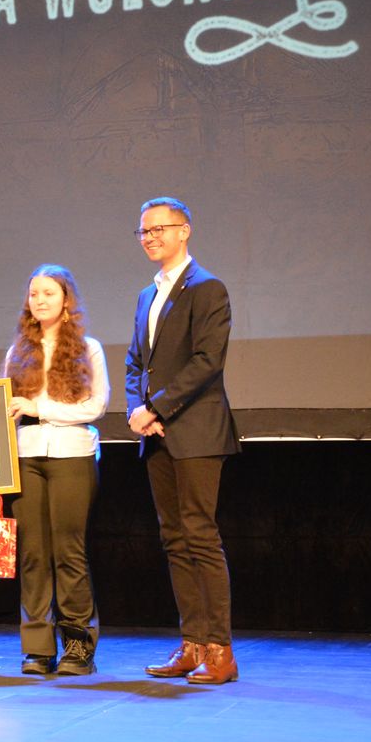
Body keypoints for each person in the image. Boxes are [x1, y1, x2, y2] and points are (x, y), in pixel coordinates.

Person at [126, 197, 242, 685]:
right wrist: (137, 411)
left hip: (196, 431)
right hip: (156, 434)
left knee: (200, 535)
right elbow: (137, 363)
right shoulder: (146, 295)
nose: (150, 237)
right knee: (174, 538)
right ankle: (192, 643)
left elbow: (206, 362)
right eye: (143, 231)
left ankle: (220, 651)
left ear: (184, 231)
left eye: (159, 229)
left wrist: (156, 408)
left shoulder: (207, 288)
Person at [3, 265, 109, 676]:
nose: (40, 300)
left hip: (71, 455)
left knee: (69, 551)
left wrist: (40, 408)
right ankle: (37, 648)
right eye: (34, 294)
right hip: (26, 456)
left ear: (66, 299)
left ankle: (78, 646)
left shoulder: (88, 348)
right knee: (32, 555)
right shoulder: (17, 351)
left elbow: (96, 405)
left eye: (49, 292)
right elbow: (3, 409)